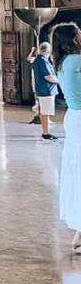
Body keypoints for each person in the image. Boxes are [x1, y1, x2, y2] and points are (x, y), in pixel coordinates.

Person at [57, 26, 81, 253]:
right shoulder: (77, 60)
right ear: (74, 39)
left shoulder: (63, 62)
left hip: (74, 117)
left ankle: (79, 231)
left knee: (77, 171)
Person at [31, 41, 59, 141]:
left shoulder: (39, 60)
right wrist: (59, 81)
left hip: (45, 90)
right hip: (46, 90)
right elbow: (48, 76)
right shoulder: (42, 61)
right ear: (47, 50)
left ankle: (46, 132)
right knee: (46, 113)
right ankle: (46, 133)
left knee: (45, 112)